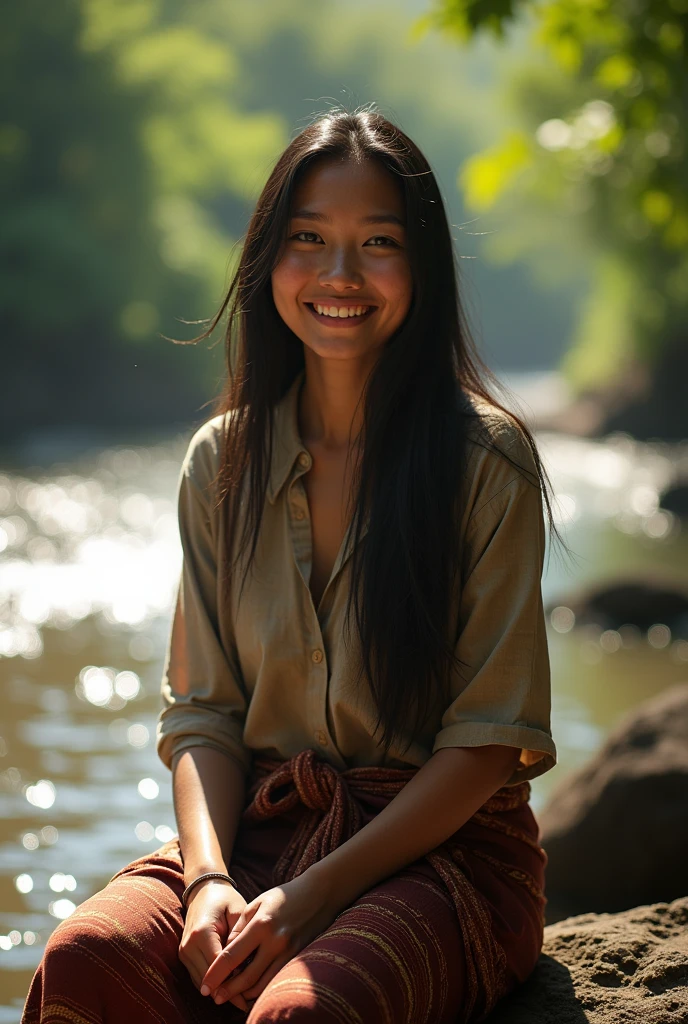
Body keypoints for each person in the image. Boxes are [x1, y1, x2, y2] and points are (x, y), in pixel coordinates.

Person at [22, 106, 560, 1024]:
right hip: (263, 839)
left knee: (298, 1013)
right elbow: (203, 715)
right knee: (86, 958)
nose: (340, 275)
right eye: (308, 238)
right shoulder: (220, 463)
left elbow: (486, 744)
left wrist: (312, 900)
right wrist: (207, 881)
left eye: (378, 243)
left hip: (446, 858)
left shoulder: (488, 462)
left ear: (421, 266)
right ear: (268, 258)